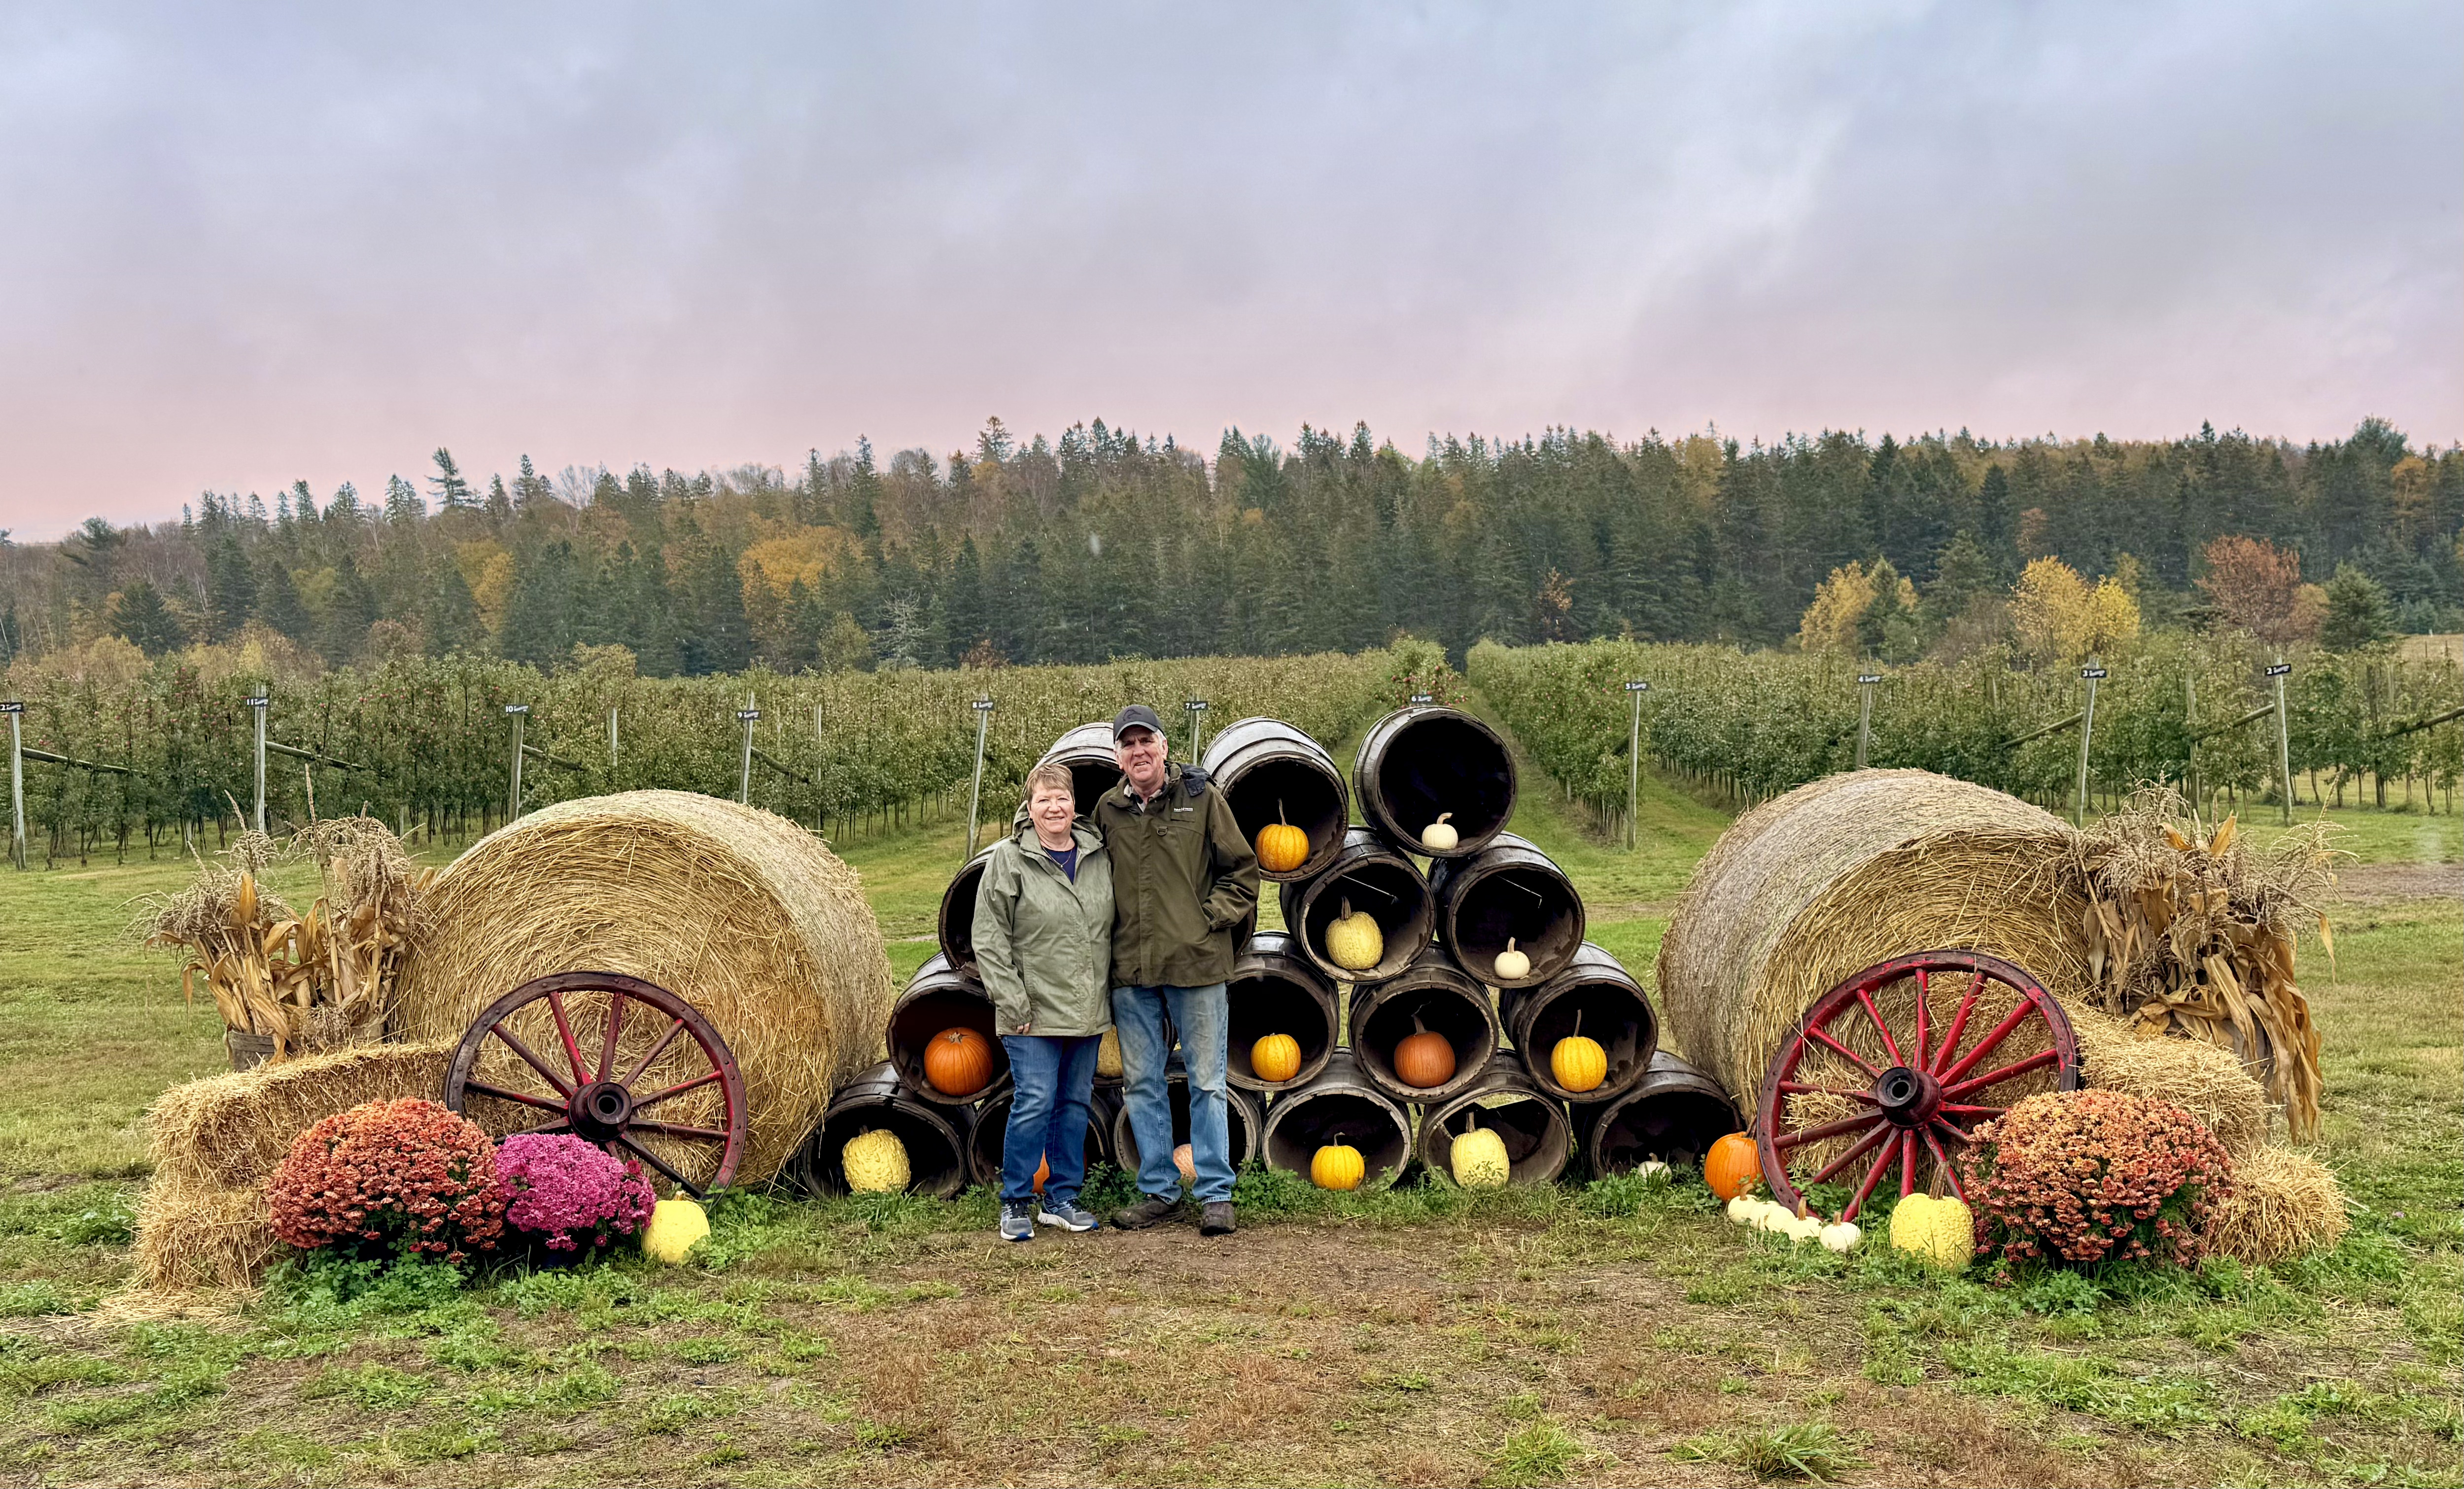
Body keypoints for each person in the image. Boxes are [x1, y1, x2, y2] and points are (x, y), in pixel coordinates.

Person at [1097, 703, 1259, 1237]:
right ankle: (1160, 1191)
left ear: (1164, 747)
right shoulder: (1107, 811)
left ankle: (1215, 1193)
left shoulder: (1202, 800)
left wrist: (1206, 920)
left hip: (1196, 964)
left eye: (1148, 742)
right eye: (1129, 745)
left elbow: (1241, 872)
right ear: (1118, 756)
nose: (1139, 752)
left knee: (1206, 1082)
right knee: (1142, 1083)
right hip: (1132, 969)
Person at [971, 761, 1114, 1242]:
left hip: (1085, 1007)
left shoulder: (1097, 855)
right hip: (1030, 1010)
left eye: (1062, 798)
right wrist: (1012, 1001)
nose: (1054, 807)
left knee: (1073, 1104)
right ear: (1029, 809)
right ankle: (1016, 1201)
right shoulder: (1009, 860)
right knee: (1034, 1102)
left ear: (1075, 806)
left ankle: (1061, 1199)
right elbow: (989, 938)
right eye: (1043, 799)